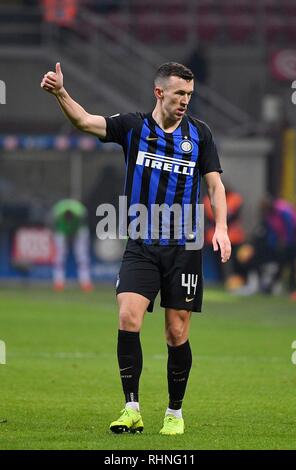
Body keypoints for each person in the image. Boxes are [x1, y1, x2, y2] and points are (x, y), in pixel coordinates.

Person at [41, 62, 231, 435]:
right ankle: (131, 409)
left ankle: (174, 413)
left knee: (176, 332)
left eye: (190, 95)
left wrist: (221, 227)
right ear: (159, 92)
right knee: (128, 318)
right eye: (179, 94)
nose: (185, 101)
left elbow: (214, 186)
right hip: (141, 244)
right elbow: (85, 122)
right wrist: (61, 93)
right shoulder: (132, 127)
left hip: (184, 247)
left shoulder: (201, 135)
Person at [51, 198, 93, 292]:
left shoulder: (80, 213)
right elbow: (52, 224)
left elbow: (85, 225)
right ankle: (58, 282)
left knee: (82, 256)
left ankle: (85, 282)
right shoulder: (58, 212)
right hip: (62, 231)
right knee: (59, 256)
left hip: (79, 231)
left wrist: (74, 234)